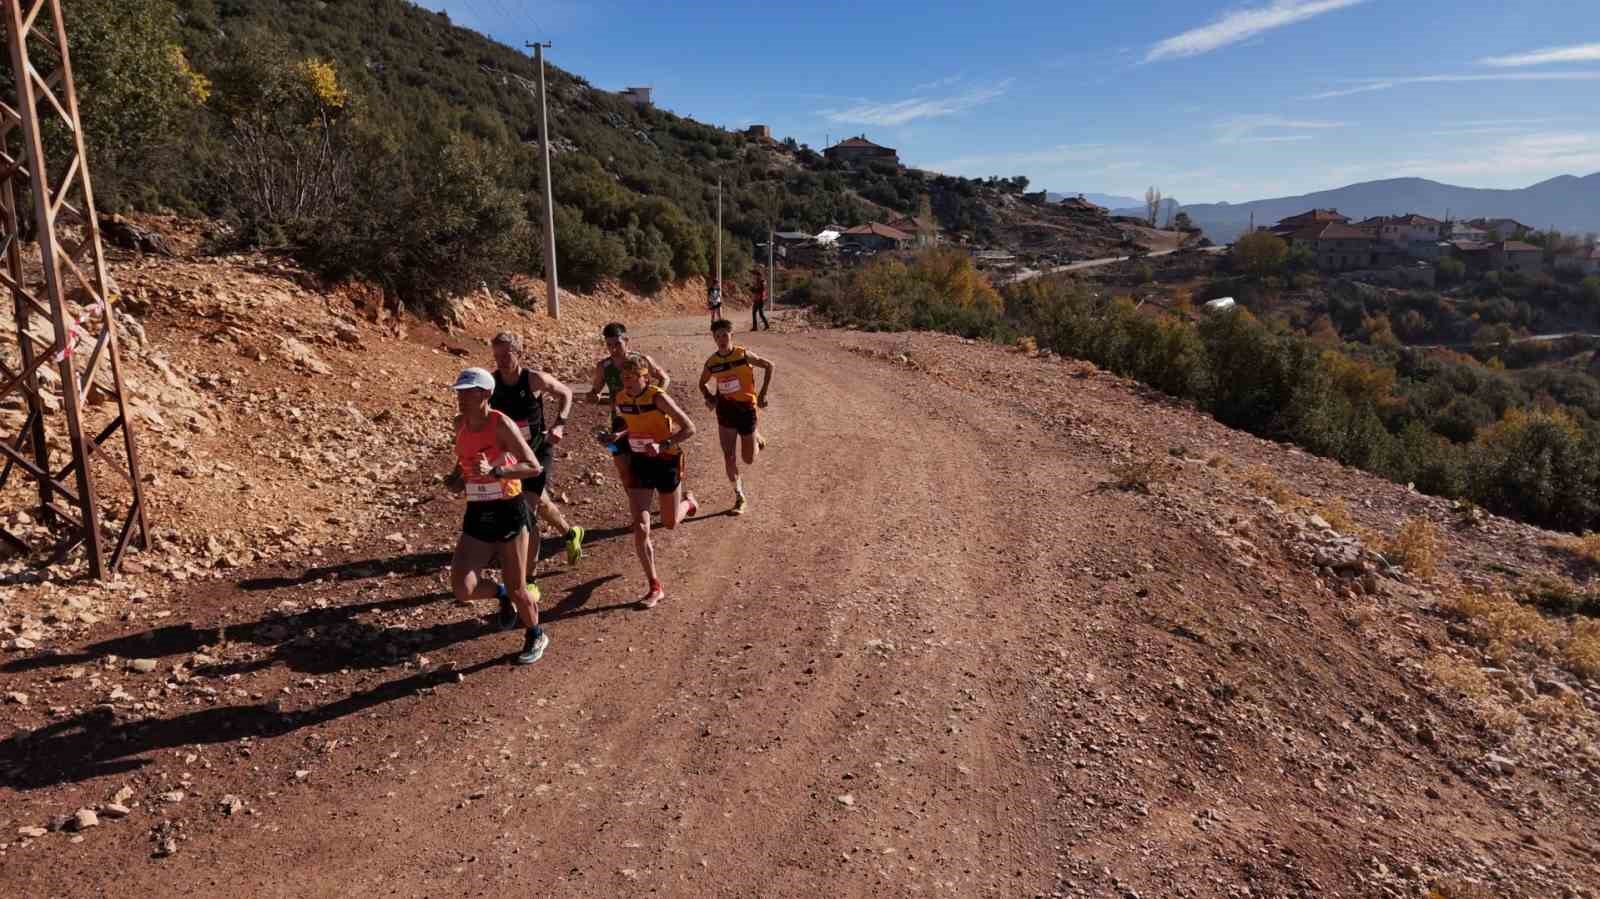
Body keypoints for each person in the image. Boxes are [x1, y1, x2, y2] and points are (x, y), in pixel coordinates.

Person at [445, 367, 548, 665]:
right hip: (477, 511)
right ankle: (501, 594)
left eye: (469, 392)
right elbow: (464, 458)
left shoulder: (500, 424)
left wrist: (497, 472)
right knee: (463, 589)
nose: (462, 398)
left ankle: (536, 633)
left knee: (520, 589)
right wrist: (457, 477)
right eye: (460, 392)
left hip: (508, 509)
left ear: (486, 394)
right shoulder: (459, 423)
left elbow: (533, 466)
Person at [489, 331, 585, 576]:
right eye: (497, 355)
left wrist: (560, 423)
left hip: (538, 451)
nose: (501, 360)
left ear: (519, 353)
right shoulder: (492, 383)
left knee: (527, 512)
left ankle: (528, 577)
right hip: (512, 456)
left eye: (506, 354)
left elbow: (566, 393)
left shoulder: (533, 379)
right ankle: (570, 533)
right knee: (540, 502)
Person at [608, 353, 698, 608]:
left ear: (644, 376)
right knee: (641, 526)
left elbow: (689, 427)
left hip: (666, 460)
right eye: (623, 378)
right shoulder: (621, 398)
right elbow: (629, 424)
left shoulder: (658, 397)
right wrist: (616, 437)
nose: (626, 382)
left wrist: (663, 444)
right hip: (640, 463)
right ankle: (654, 586)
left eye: (631, 378)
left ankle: (688, 504)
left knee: (669, 524)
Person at [699, 319, 773, 515]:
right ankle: (739, 496)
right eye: (717, 336)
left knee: (748, 459)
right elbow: (702, 383)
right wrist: (710, 397)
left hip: (747, 409)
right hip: (725, 411)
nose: (721, 339)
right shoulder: (712, 363)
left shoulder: (743, 355)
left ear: (731, 335)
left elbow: (769, 365)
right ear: (713, 339)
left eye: (724, 335)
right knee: (728, 456)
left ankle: (756, 436)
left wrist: (763, 394)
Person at [586, 322, 670, 490]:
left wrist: (655, 399)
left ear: (627, 340)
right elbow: (595, 391)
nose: (613, 349)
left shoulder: (642, 360)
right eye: (609, 345)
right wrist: (593, 396)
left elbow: (664, 378)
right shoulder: (604, 367)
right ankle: (637, 507)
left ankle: (666, 498)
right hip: (618, 421)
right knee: (624, 470)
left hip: (644, 419)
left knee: (651, 464)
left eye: (617, 344)